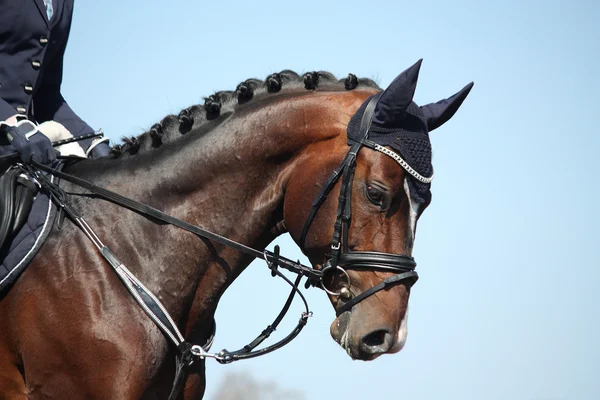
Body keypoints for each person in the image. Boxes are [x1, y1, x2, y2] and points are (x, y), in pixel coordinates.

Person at [0, 0, 110, 167]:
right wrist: (12, 122)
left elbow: (46, 93)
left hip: (23, 151)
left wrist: (91, 142)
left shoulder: (64, 3)